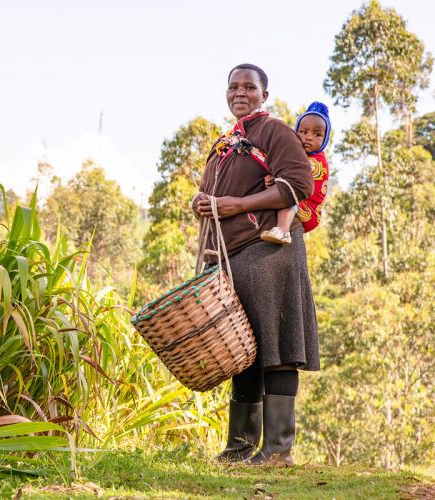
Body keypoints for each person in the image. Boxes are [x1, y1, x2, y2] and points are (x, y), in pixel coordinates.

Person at [192, 63, 320, 466]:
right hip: (235, 258)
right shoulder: (227, 143)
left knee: (277, 346)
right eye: (233, 86)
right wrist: (202, 202)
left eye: (249, 86)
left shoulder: (274, 131)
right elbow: (215, 193)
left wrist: (239, 205)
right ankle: (239, 447)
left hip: (271, 252)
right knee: (243, 350)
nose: (239, 92)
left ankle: (278, 450)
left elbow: (300, 184)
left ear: (265, 94)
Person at [261, 102, 331, 244]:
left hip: (308, 209)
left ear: (325, 140)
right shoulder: (297, 155)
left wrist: (277, 181)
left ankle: (283, 230)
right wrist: (272, 179)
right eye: (304, 132)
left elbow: (295, 179)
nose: (309, 137)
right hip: (302, 199)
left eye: (317, 134)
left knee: (289, 192)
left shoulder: (316, 162)